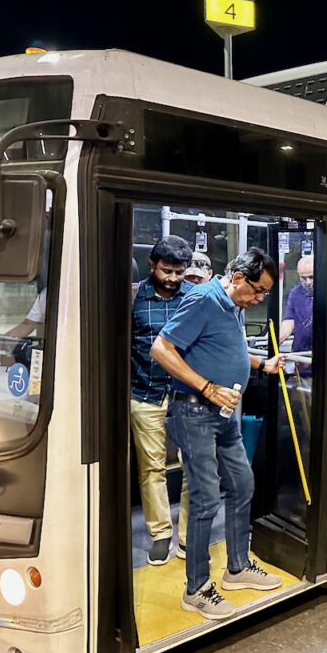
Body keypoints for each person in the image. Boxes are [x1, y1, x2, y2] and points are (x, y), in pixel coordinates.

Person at [150, 248, 286, 619]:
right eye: (258, 290)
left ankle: (237, 568)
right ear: (239, 278)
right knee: (206, 500)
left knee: (242, 485)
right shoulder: (205, 300)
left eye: (265, 294)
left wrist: (261, 363)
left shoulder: (234, 307)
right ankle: (195, 589)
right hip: (194, 413)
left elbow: (226, 347)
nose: (260, 299)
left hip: (223, 416)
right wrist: (207, 387)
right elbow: (161, 348)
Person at [131, 236, 194, 565]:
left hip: (186, 395)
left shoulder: (193, 297)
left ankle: (186, 537)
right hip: (144, 391)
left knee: (191, 466)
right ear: (152, 265)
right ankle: (160, 534)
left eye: (179, 272)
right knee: (151, 468)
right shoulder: (132, 297)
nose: (172, 278)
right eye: (167, 271)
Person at [279, 255, 314, 379]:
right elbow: (289, 320)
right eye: (303, 278)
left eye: (312, 277)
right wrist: (276, 341)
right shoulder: (295, 293)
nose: (308, 282)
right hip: (301, 353)